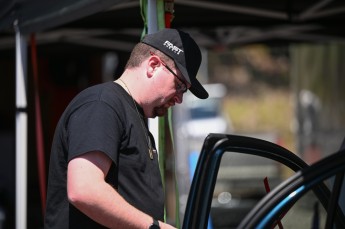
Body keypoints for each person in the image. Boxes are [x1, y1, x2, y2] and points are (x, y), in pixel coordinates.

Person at [44, 28, 209, 229]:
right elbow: (84, 190)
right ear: (154, 65)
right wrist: (154, 227)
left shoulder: (130, 113)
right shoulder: (102, 104)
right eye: (180, 85)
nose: (180, 98)